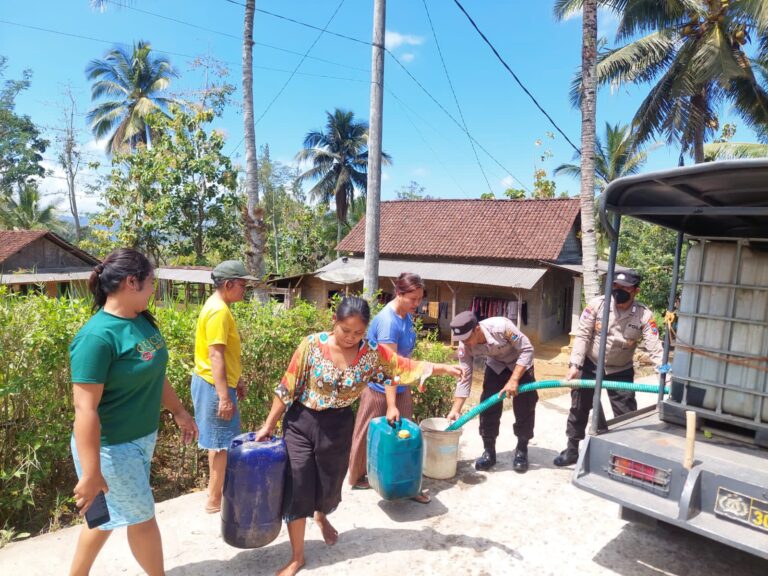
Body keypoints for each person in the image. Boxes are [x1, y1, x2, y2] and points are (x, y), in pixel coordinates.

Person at [255, 296, 461, 576]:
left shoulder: (372, 353)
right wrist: (269, 424)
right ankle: (297, 556)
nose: (351, 338)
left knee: (330, 482)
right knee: (299, 481)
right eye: (345, 330)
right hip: (301, 421)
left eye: (358, 333)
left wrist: (441, 368)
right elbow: (286, 386)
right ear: (334, 323)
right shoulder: (312, 345)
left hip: (338, 424)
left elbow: (401, 366)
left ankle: (321, 514)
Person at [69, 248, 198, 576]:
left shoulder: (140, 321)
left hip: (139, 439)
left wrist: (180, 412)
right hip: (111, 448)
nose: (153, 290)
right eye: (151, 283)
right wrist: (91, 472)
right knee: (142, 518)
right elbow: (85, 409)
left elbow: (155, 374)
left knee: (105, 518)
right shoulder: (97, 338)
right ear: (131, 282)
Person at [554, 269, 664, 467]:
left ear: (636, 291)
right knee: (579, 408)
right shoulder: (598, 305)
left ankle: (627, 457)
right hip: (590, 364)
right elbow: (583, 335)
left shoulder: (644, 315)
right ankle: (572, 450)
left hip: (620, 370)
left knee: (626, 415)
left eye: (624, 288)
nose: (618, 290)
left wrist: (665, 377)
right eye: (615, 286)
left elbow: (655, 348)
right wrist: (575, 365)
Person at [347, 272, 430, 503]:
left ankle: (407, 483)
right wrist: (391, 404)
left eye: (419, 299)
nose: (417, 304)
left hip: (399, 387)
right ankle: (356, 477)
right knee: (367, 433)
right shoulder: (388, 322)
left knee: (405, 436)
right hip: (378, 390)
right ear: (399, 294)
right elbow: (389, 366)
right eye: (412, 299)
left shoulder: (405, 316)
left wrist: (415, 378)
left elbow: (404, 359)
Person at [191, 260, 254, 514]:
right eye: (242, 284)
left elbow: (223, 354)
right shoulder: (219, 311)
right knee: (222, 446)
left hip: (213, 382)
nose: (244, 289)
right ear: (228, 284)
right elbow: (215, 355)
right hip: (213, 385)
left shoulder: (218, 307)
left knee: (216, 442)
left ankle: (213, 493)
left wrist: (235, 380)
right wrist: (223, 397)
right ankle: (215, 501)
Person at [446, 310, 537, 473]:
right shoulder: (464, 345)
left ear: (477, 329)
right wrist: (456, 409)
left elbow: (527, 349)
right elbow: (464, 377)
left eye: (467, 339)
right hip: (496, 366)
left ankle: (522, 450)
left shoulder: (501, 327)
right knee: (488, 407)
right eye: (461, 340)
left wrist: (514, 379)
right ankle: (489, 452)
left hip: (520, 365)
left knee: (525, 408)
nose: (465, 343)